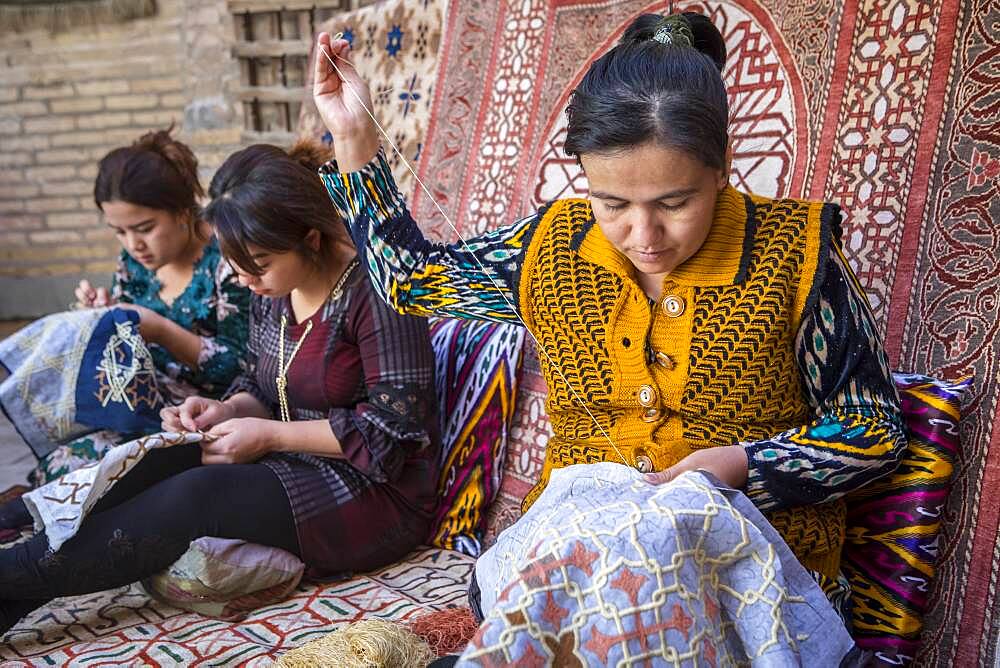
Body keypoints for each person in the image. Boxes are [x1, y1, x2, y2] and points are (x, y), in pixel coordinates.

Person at [312, 10, 906, 630]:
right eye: (612, 203)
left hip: (750, 573)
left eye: (675, 203)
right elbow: (408, 283)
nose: (643, 235)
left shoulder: (795, 254)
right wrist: (354, 138)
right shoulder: (552, 247)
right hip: (578, 555)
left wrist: (743, 465)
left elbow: (876, 429)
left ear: (723, 164)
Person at [0, 140, 440, 636]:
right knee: (147, 462)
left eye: (258, 263)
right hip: (293, 455)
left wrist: (269, 436)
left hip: (375, 492)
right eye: (237, 264)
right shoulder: (274, 289)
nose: (246, 279)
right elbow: (259, 383)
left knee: (196, 495)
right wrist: (225, 410)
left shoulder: (377, 295)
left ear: (311, 239)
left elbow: (392, 437)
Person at [26, 127, 251, 484]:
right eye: (120, 231)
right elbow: (129, 344)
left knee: (78, 473)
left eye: (145, 228)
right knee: (51, 462)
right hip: (142, 406)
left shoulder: (229, 259)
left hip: (208, 415)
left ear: (181, 211)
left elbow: (243, 367)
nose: (133, 244)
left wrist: (158, 329)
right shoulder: (133, 264)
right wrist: (106, 314)